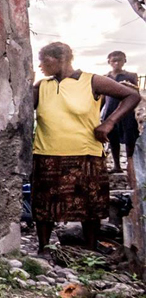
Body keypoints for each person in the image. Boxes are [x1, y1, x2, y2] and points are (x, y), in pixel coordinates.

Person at [32, 42, 139, 253]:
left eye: (44, 60)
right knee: (44, 205)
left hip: (86, 155)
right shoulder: (41, 86)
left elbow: (132, 96)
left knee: (89, 206)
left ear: (60, 59)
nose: (41, 65)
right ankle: (43, 250)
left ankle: (90, 250)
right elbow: (22, 106)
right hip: (47, 154)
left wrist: (109, 122)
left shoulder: (92, 81)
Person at [103, 51, 140, 185]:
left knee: (130, 139)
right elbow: (102, 98)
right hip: (110, 112)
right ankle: (116, 165)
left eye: (119, 60)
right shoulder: (105, 78)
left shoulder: (130, 76)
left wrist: (129, 86)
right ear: (109, 62)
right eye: (114, 61)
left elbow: (135, 93)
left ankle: (131, 166)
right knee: (112, 139)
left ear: (125, 61)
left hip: (127, 113)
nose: (116, 63)